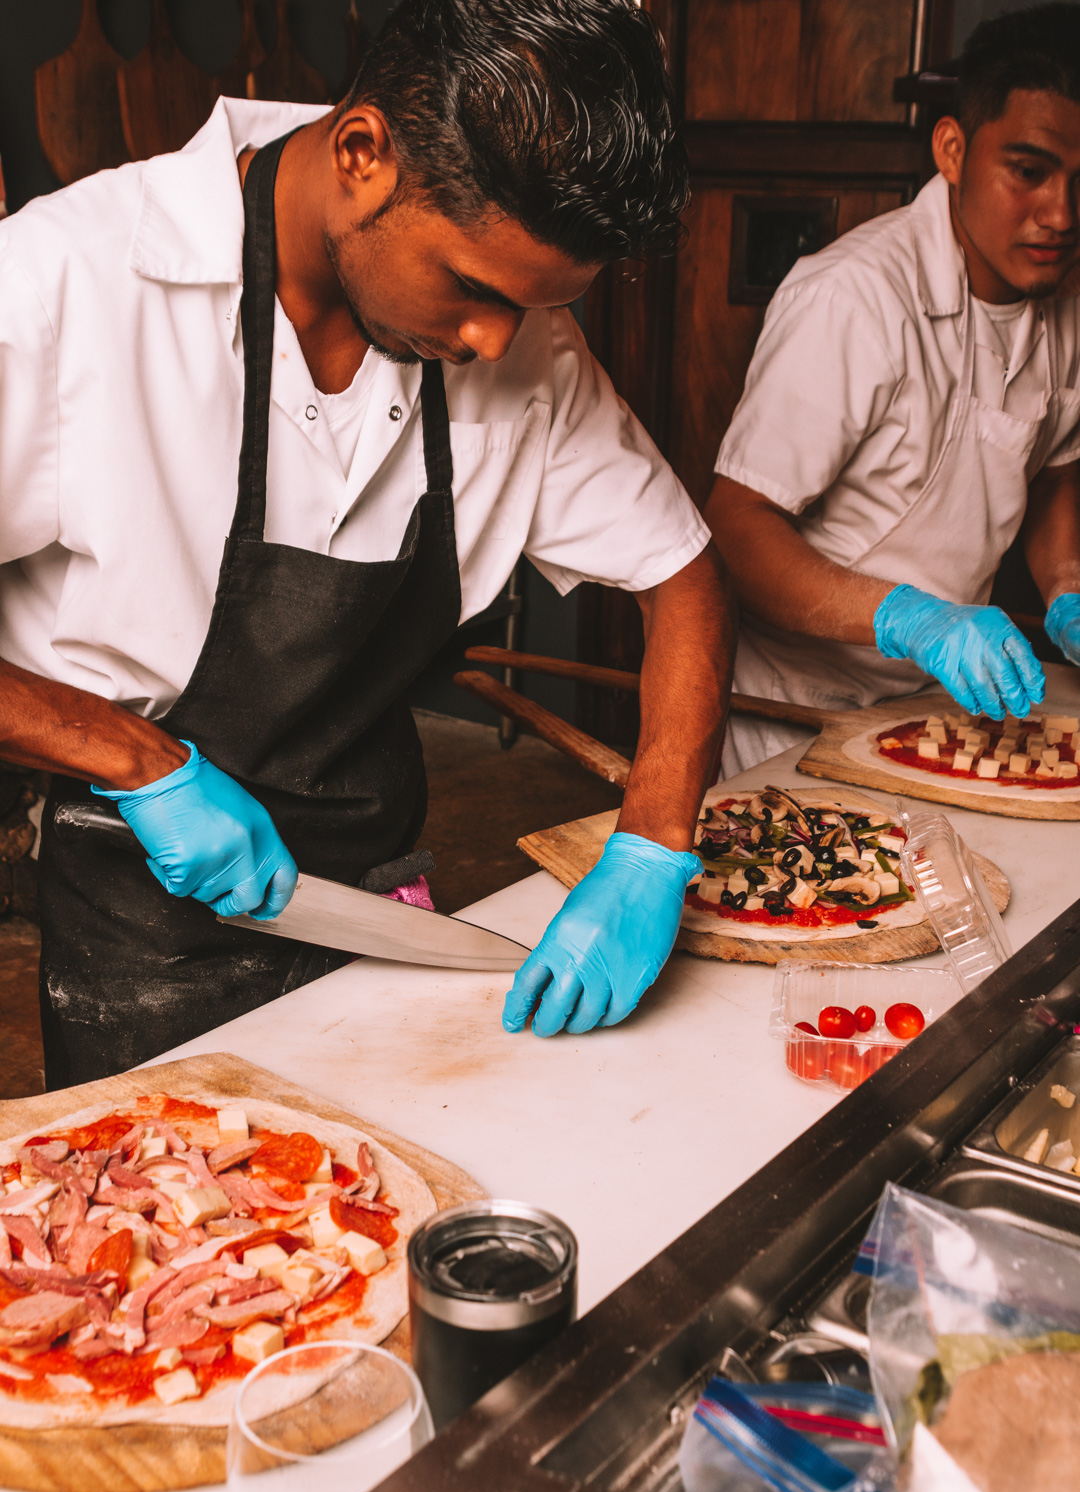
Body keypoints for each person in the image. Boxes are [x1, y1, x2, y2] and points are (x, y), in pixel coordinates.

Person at [0, 0, 734, 1088]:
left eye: (530, 309)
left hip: (378, 902)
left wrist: (654, 845)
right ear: (363, 154)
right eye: (476, 290)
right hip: (143, 912)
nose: (495, 341)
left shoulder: (521, 338)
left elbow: (683, 574)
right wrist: (138, 760)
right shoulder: (64, 284)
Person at [707, 2, 1080, 776]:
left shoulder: (1068, 303)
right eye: (1029, 170)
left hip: (942, 706)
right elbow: (737, 532)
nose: (1060, 214)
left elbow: (1049, 470)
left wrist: (1068, 587)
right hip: (792, 713)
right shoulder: (852, 297)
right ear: (952, 149)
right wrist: (905, 617)